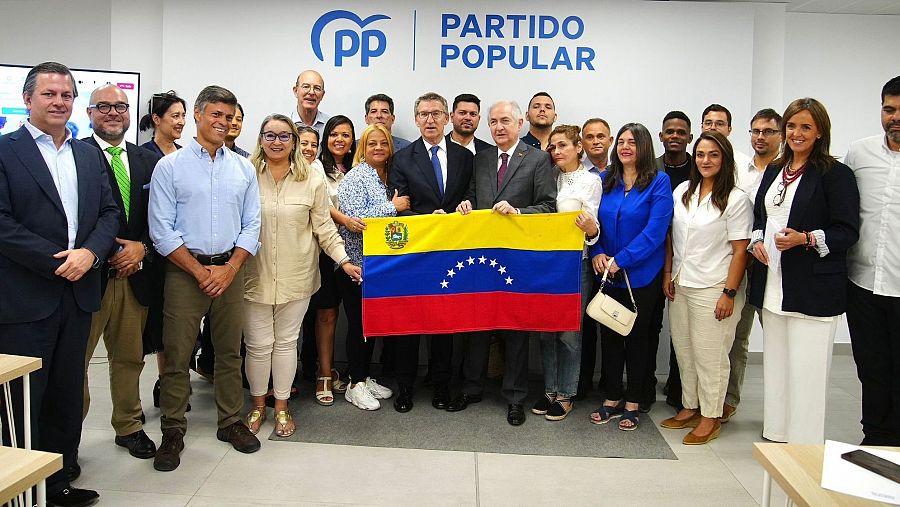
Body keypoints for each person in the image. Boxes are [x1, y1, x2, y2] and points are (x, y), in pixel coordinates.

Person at [0, 61, 119, 507]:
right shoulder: (5, 150)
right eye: (49, 94)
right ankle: (17, 490)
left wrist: (89, 254)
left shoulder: (88, 153)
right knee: (24, 398)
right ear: (28, 99)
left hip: (79, 292)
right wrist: (57, 262)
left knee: (67, 394)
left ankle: (55, 482)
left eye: (66, 95)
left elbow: (109, 214)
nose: (58, 102)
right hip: (26, 298)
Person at [149, 85, 262, 471]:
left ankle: (230, 422)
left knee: (229, 353)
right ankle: (173, 430)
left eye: (229, 117)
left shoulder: (243, 168)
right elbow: (161, 230)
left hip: (229, 271)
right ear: (197, 115)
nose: (223, 122)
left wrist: (228, 269)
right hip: (185, 272)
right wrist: (200, 271)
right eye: (216, 114)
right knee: (177, 355)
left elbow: (252, 226)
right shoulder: (170, 167)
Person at [748, 98, 859, 444]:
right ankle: (778, 433)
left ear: (820, 132)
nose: (797, 133)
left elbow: (847, 231)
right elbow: (761, 218)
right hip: (774, 282)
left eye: (806, 127)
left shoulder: (835, 173)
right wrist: (756, 241)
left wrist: (806, 238)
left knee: (808, 372)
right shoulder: (774, 170)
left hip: (813, 287)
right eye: (792, 126)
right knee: (777, 365)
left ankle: (805, 443)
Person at [242, 114, 360, 437]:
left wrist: (344, 260)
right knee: (257, 345)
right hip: (255, 275)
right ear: (261, 138)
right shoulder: (246, 174)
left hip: (297, 278)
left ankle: (281, 408)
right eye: (270, 135)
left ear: (294, 141)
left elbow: (324, 227)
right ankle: (256, 405)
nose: (277, 142)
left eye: (284, 136)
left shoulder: (311, 179)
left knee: (285, 344)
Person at [453, 100, 557, 426]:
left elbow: (548, 207)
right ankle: (473, 387)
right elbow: (471, 196)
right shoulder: (481, 158)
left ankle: (514, 397)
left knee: (515, 329)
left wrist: (518, 212)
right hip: (482, 258)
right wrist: (465, 205)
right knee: (478, 324)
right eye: (494, 121)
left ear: (520, 122)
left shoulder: (538, 159)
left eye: (506, 121)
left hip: (518, 259)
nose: (499, 127)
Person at [80, 84, 160, 461]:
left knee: (129, 357)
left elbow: (160, 217)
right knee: (75, 363)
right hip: (90, 277)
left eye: (121, 106)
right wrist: (113, 250)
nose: (114, 113)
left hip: (135, 277)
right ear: (90, 113)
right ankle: (67, 441)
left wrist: (141, 248)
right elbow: (75, 220)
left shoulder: (146, 160)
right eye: (105, 106)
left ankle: (128, 425)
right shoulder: (77, 156)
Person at [661, 131, 752, 445]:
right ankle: (690, 406)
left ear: (724, 158)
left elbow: (741, 250)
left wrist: (729, 292)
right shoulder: (683, 191)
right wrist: (668, 274)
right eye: (700, 154)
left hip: (715, 286)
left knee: (710, 356)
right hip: (682, 282)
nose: (706, 160)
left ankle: (711, 416)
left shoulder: (736, 199)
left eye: (713, 154)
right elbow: (672, 237)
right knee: (685, 351)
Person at [389, 92, 475, 412]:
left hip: (451, 255)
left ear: (447, 118)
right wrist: (427, 221)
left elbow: (470, 196)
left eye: (436, 114)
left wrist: (465, 208)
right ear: (416, 119)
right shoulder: (403, 158)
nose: (430, 120)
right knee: (409, 325)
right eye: (424, 114)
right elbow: (399, 208)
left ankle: (441, 386)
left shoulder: (465, 157)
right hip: (415, 252)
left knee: (443, 324)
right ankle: (406, 389)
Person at [588, 123, 673, 432]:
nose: (625, 147)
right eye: (621, 141)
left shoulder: (659, 182)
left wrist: (621, 260)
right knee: (609, 337)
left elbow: (656, 231)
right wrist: (597, 249)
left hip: (641, 276)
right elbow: (590, 220)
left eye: (632, 142)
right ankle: (611, 398)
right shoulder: (604, 179)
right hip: (607, 274)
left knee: (638, 340)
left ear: (644, 147)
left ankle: (633, 402)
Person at [337, 123, 410, 410]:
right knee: (359, 326)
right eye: (372, 144)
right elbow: (355, 219)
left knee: (373, 325)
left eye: (383, 143)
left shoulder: (388, 177)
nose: (378, 148)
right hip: (356, 265)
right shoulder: (355, 177)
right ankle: (354, 384)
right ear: (362, 149)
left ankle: (364, 377)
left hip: (381, 266)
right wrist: (393, 207)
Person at [845, 76, 900, 446]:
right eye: (889, 109)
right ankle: (876, 437)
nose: (895, 118)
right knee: (871, 367)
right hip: (862, 283)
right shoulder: (859, 154)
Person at [533, 125, 601, 421]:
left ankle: (566, 393)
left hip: (575, 264)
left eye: (562, 145)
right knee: (546, 331)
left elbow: (593, 227)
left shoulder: (590, 181)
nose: (557, 152)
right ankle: (550, 388)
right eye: (553, 147)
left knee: (569, 333)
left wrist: (591, 230)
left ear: (578, 148)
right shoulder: (549, 178)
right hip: (546, 264)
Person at [724, 107, 783, 422]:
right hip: (742, 265)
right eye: (756, 131)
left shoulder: (788, 170)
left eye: (768, 131)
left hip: (779, 266)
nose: (761, 137)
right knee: (737, 336)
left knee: (778, 340)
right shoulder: (738, 169)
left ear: (780, 134)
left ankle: (781, 408)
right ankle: (729, 399)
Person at [300, 115, 357, 404]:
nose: (339, 139)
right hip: (325, 251)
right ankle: (324, 373)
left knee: (355, 317)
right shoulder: (316, 167)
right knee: (326, 314)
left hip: (356, 253)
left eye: (346, 135)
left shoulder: (359, 168)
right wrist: (346, 219)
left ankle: (350, 376)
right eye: (334, 134)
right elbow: (323, 207)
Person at [653, 110, 696, 412]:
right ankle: (654, 380)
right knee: (658, 322)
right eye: (670, 131)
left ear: (689, 137)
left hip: (688, 255)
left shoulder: (702, 166)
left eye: (681, 132)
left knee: (685, 326)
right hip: (654, 255)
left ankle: (680, 388)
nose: (675, 136)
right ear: (661, 136)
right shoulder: (652, 169)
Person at [700, 104, 753, 172]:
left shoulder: (744, 163)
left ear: (729, 129)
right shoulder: (694, 161)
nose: (713, 127)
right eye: (708, 123)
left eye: (719, 124)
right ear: (702, 127)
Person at [138, 90, 186, 157]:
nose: (182, 122)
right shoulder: (142, 155)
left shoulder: (184, 154)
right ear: (156, 119)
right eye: (175, 116)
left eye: (183, 116)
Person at [291, 70, 329, 136]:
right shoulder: (283, 124)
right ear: (295, 91)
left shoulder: (330, 125)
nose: (311, 92)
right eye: (306, 87)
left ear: (322, 95)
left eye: (317, 88)